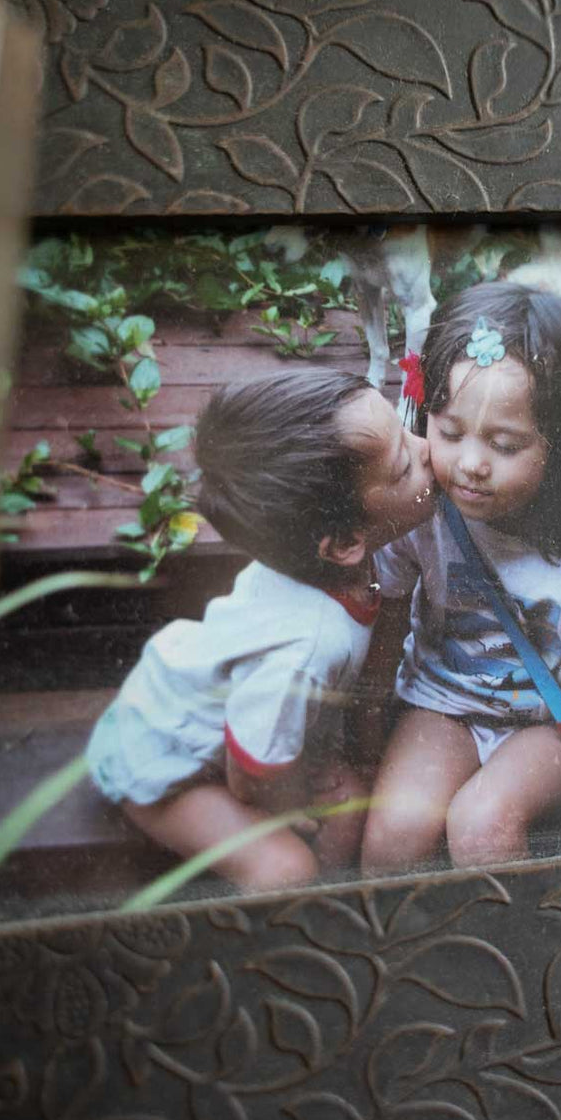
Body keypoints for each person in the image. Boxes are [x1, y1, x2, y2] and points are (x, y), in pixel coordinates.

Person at [362, 281, 561, 874]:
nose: (470, 465)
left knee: (483, 825)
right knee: (394, 833)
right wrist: (362, 738)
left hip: (556, 724)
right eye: (449, 433)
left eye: (504, 444)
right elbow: (389, 614)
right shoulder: (424, 509)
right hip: (443, 704)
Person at [87, 371, 435, 891]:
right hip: (165, 763)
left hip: (235, 719)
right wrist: (290, 805)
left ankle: (329, 911)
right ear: (344, 544)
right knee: (285, 870)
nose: (427, 447)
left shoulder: (324, 563)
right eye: (405, 465)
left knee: (348, 802)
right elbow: (248, 770)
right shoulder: (306, 645)